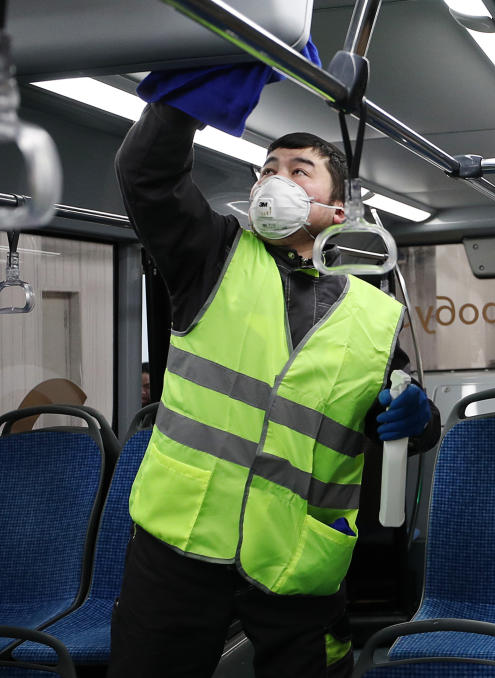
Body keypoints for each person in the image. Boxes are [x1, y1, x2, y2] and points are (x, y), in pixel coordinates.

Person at [109, 99, 441, 678]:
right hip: (182, 541)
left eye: (297, 170)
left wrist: (417, 418)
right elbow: (146, 176)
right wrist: (184, 103)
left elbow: (393, 415)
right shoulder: (212, 257)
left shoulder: (374, 316)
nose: (274, 180)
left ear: (337, 211)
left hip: (299, 551)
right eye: (267, 168)